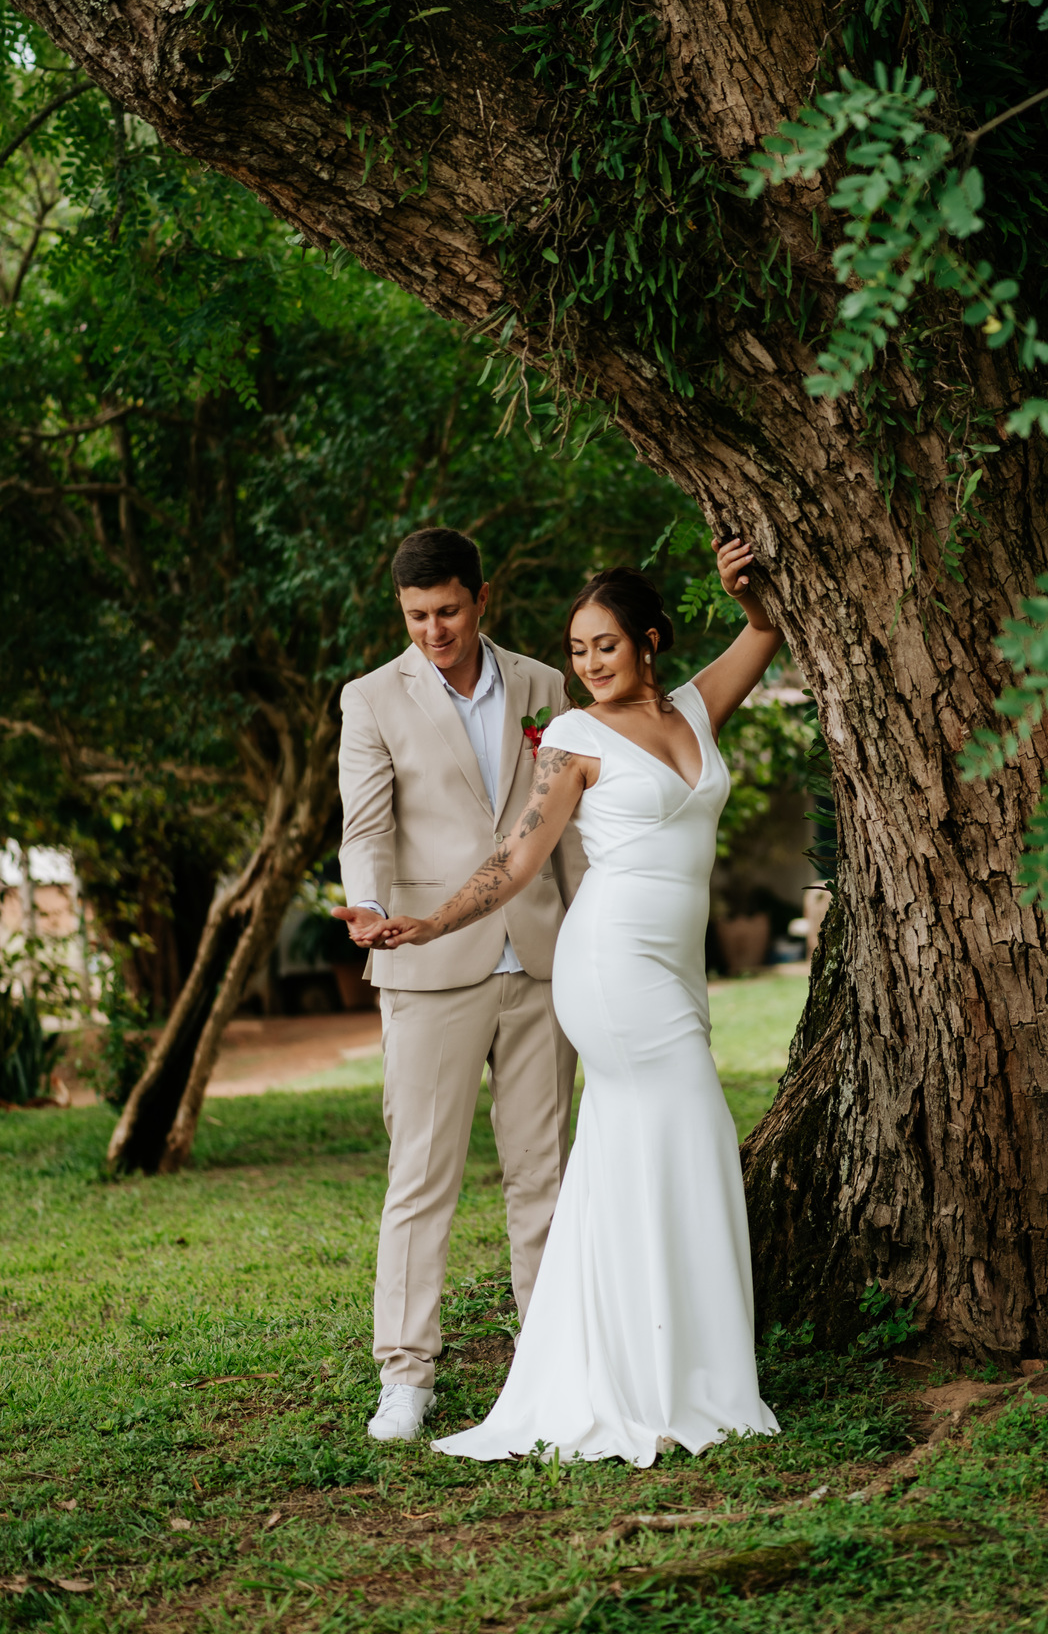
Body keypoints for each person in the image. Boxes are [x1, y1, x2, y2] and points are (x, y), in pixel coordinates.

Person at [357, 535, 783, 1465]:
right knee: (693, 1129)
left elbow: (764, 634)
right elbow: (516, 859)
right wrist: (428, 923)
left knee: (652, 1154)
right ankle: (648, 1377)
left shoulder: (693, 711)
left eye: (606, 646)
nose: (588, 664)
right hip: (612, 967)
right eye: (578, 649)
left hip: (676, 969)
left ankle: (673, 1368)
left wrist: (746, 594)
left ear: (649, 641)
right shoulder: (575, 737)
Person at [334, 527, 586, 1443]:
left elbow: (567, 828)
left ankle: (548, 1360)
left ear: (483, 598)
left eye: (446, 611)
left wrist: (591, 932)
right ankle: (406, 1376)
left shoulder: (545, 686)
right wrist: (368, 907)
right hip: (428, 964)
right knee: (420, 1177)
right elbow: (366, 827)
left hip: (542, 960)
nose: (433, 631)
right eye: (415, 617)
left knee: (543, 1174)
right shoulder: (371, 698)